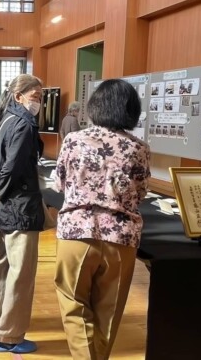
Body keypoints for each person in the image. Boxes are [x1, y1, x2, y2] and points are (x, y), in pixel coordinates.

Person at [53, 79, 151, 360]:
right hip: (121, 237)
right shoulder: (139, 148)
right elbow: (140, 192)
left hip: (76, 232)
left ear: (95, 106)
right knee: (110, 311)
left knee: (73, 303)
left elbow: (60, 183)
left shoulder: (74, 140)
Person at [0, 74, 45, 354]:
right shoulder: (24, 124)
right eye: (35, 96)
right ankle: (9, 336)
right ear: (18, 96)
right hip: (18, 208)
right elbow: (12, 168)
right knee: (21, 273)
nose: (39, 102)